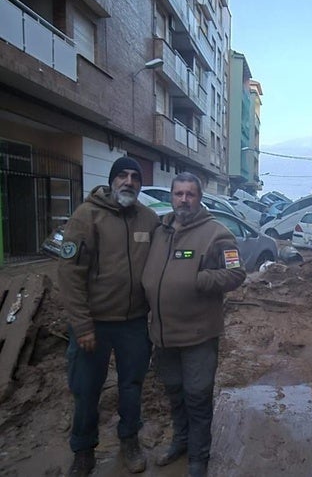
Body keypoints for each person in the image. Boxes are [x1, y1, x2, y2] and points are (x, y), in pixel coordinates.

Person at [59, 156, 159, 476]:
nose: (129, 182)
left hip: (133, 324)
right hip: (95, 324)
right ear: (112, 180)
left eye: (135, 177)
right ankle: (84, 450)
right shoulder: (87, 216)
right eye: (123, 176)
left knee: (131, 386)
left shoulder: (149, 219)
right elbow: (70, 275)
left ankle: (129, 440)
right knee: (87, 389)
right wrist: (82, 324)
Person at [142, 172, 246, 477]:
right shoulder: (160, 232)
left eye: (190, 194)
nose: (184, 200)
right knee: (175, 395)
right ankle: (181, 442)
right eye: (178, 194)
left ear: (199, 198)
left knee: (197, 398)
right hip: (163, 335)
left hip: (198, 335)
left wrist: (197, 279)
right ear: (171, 197)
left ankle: (198, 458)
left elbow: (236, 273)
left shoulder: (217, 233)